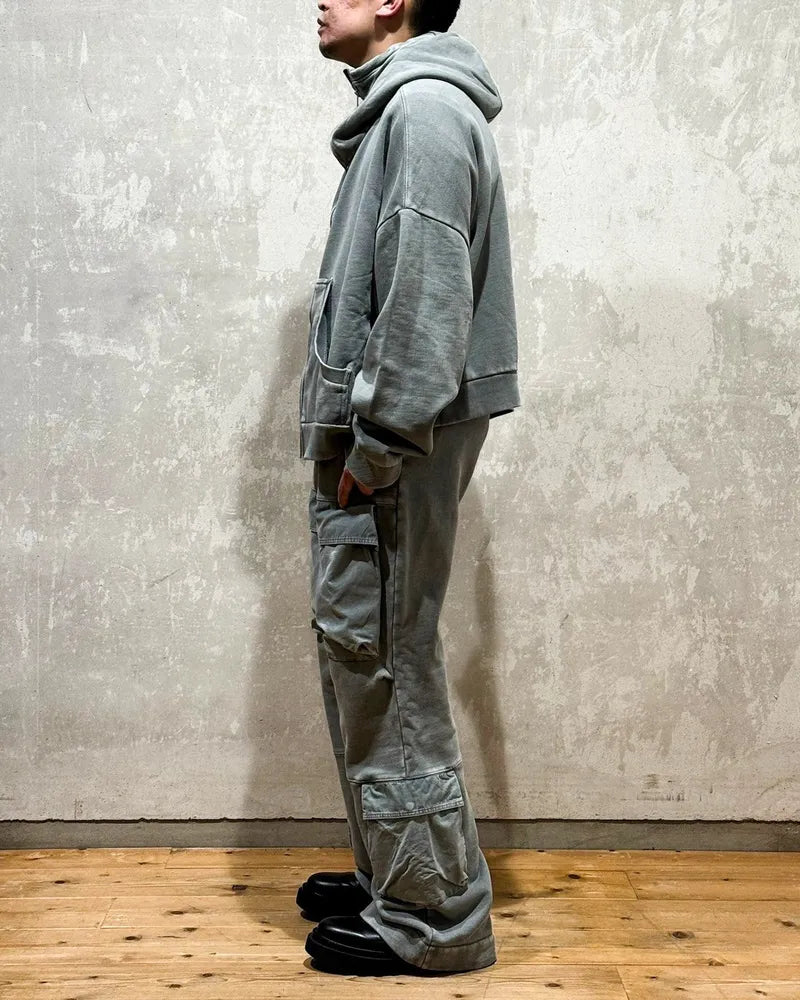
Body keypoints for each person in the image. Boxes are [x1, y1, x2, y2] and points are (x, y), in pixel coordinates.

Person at [297, 0, 520, 977]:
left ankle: (432, 917)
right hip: (385, 444)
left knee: (384, 654)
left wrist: (377, 445)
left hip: (390, 448)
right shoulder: (407, 109)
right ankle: (396, 871)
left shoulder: (423, 111)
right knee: (368, 650)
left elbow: (424, 301)